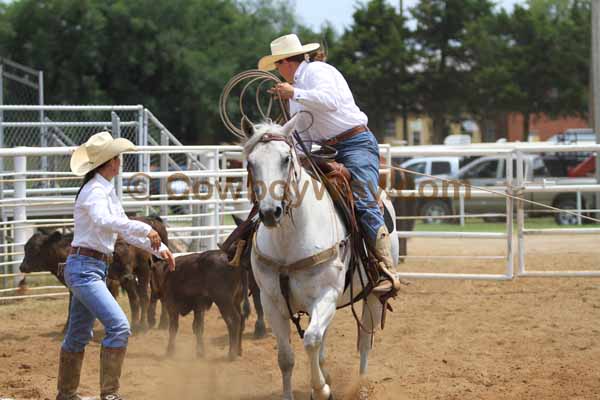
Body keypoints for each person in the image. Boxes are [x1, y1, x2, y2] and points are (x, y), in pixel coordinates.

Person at [258, 33, 400, 294]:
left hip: (356, 143)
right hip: (326, 150)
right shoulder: (294, 95)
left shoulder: (317, 71)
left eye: (278, 65)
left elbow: (330, 101)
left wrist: (295, 92)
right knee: (290, 190)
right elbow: (304, 134)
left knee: (362, 198)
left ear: (287, 62)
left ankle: (384, 269)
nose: (278, 72)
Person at [57, 131, 176, 400]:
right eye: (118, 158)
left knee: (77, 335)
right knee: (119, 327)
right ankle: (109, 394)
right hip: (86, 269)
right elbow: (105, 221)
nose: (120, 162)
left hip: (88, 268)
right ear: (110, 161)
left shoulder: (103, 190)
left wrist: (161, 249)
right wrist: (144, 228)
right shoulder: (95, 191)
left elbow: (124, 230)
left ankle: (66, 394)